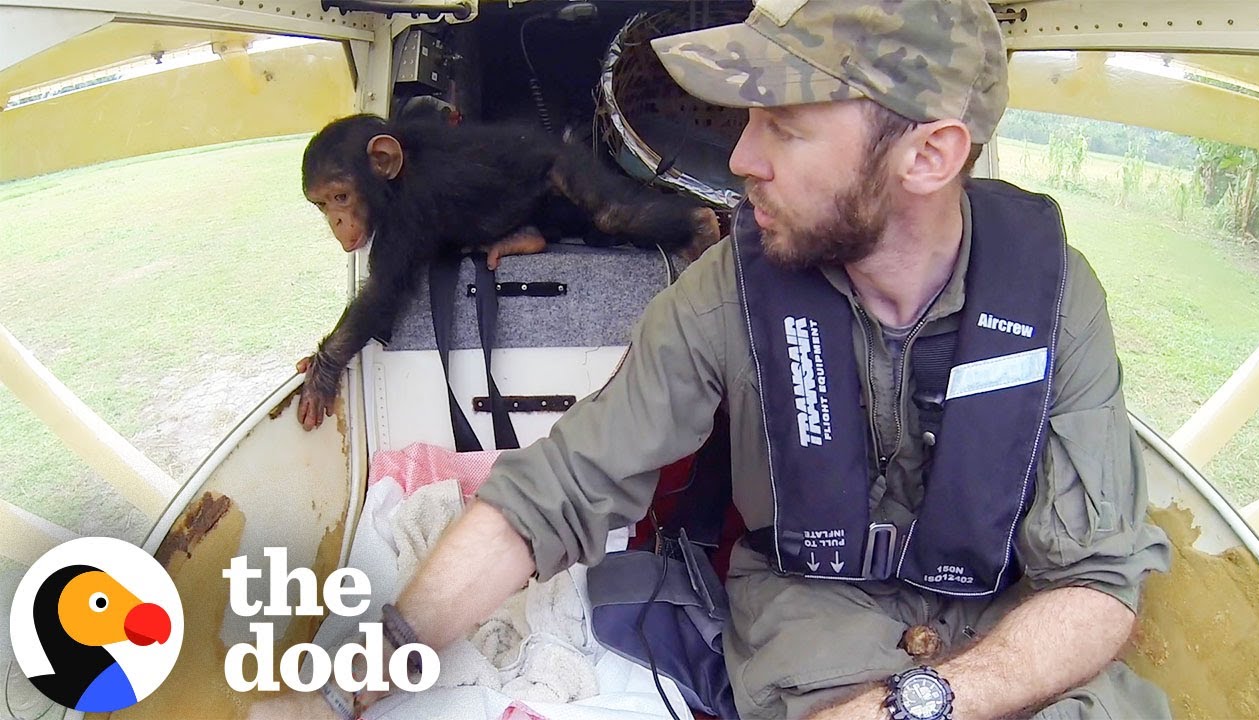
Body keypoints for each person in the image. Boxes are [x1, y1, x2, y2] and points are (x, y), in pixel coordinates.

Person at [254, 1, 1173, 718]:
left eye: (785, 125)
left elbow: (1097, 584)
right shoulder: (731, 289)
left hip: (1020, 639)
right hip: (817, 633)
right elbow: (557, 490)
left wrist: (920, 704)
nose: (740, 158)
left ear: (928, 155)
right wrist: (350, 680)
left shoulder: (1052, 295)